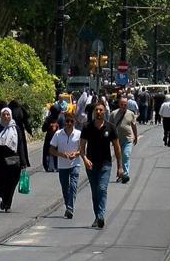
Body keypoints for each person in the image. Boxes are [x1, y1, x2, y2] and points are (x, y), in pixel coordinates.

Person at [79, 101, 124, 229]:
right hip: (91, 164)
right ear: (94, 112)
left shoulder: (110, 127)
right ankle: (97, 216)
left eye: (100, 110)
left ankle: (101, 216)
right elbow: (81, 147)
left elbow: (116, 147)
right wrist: (85, 159)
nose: (98, 112)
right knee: (95, 192)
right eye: (96, 110)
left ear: (105, 112)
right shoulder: (87, 127)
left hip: (105, 163)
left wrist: (120, 166)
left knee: (102, 189)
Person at [0, 107, 29, 212]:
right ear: (1, 116)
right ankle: (3, 198)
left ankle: (7, 203)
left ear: (11, 115)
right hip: (0, 160)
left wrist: (23, 161)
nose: (6, 116)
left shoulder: (16, 129)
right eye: (4, 115)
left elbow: (20, 145)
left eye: (8, 114)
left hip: (14, 158)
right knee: (2, 182)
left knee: (13, 181)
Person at [49, 112, 82, 219]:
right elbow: (51, 149)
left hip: (74, 164)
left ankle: (70, 208)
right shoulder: (58, 134)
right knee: (65, 187)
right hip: (62, 165)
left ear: (74, 122)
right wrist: (61, 154)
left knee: (73, 186)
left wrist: (76, 154)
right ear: (64, 122)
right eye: (67, 121)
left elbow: (83, 149)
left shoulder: (79, 134)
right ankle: (68, 206)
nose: (69, 123)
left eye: (71, 121)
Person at [109, 96, 138, 184]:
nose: (123, 106)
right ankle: (120, 174)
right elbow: (109, 127)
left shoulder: (131, 114)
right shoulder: (113, 114)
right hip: (116, 140)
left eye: (125, 104)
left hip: (128, 139)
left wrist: (136, 136)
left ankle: (125, 174)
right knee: (119, 158)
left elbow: (133, 126)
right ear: (119, 104)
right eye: (122, 104)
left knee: (125, 155)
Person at [41, 105, 61, 172]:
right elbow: (43, 129)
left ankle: (55, 166)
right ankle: (50, 166)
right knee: (49, 152)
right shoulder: (49, 119)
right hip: (51, 138)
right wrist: (50, 126)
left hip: (56, 138)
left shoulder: (60, 118)